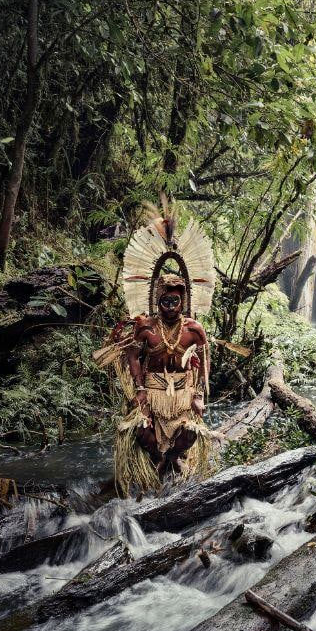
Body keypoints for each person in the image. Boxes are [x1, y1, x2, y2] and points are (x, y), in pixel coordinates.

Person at [96, 202, 217, 497]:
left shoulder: (194, 330)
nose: (170, 308)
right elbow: (133, 356)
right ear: (157, 300)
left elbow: (202, 361)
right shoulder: (146, 327)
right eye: (165, 302)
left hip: (184, 393)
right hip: (152, 389)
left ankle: (172, 459)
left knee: (191, 432)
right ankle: (156, 462)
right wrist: (139, 390)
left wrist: (199, 396)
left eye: (175, 302)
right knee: (139, 430)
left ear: (184, 301)